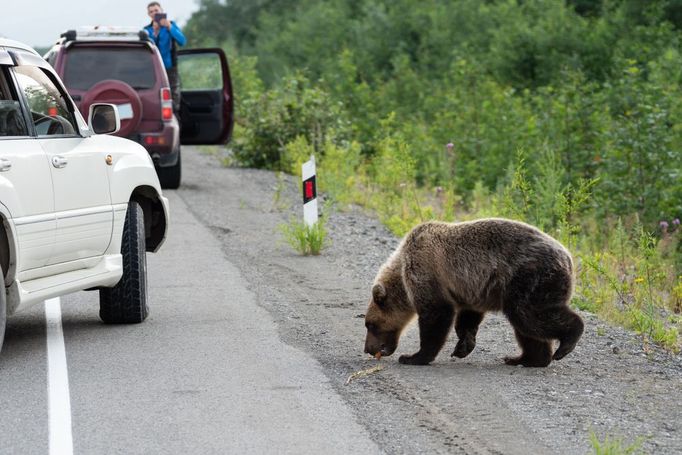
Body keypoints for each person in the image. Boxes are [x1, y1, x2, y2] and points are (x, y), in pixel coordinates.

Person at [144, 2, 186, 113]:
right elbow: (148, 48)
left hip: (170, 68)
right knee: (157, 99)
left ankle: (175, 121)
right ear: (148, 14)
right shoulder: (147, 30)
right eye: (151, 12)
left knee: (174, 101)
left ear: (161, 11)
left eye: (156, 10)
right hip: (153, 69)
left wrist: (169, 27)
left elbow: (182, 41)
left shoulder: (170, 25)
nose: (154, 13)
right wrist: (155, 33)